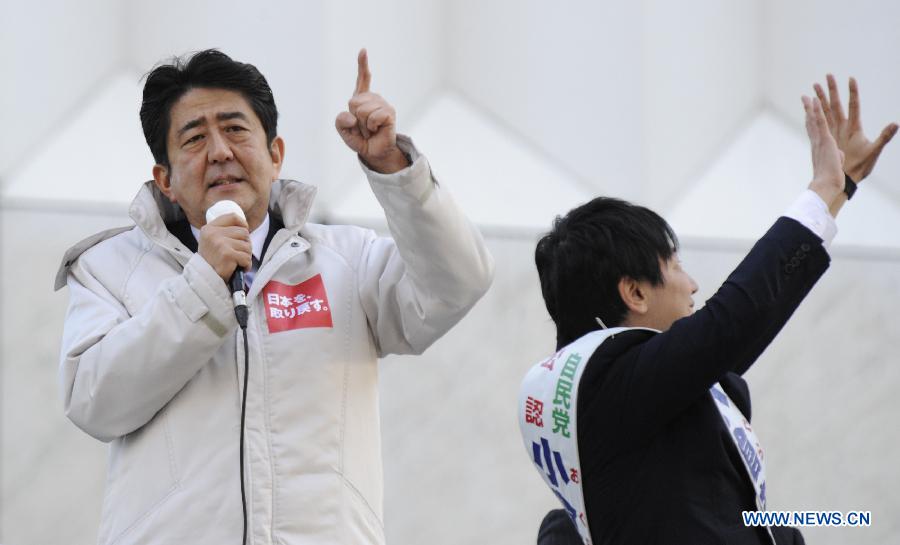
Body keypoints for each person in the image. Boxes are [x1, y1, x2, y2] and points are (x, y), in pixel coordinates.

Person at [56, 48, 493, 545]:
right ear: (166, 181)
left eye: (236, 129)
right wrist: (202, 283)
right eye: (195, 138)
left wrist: (395, 170)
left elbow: (459, 282)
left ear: (275, 154)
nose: (220, 151)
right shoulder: (109, 269)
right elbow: (94, 403)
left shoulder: (348, 261)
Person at [519, 75, 897, 545]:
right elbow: (731, 322)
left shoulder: (651, 402)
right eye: (676, 264)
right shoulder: (609, 387)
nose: (693, 283)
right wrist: (822, 190)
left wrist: (841, 190)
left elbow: (723, 514)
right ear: (634, 293)